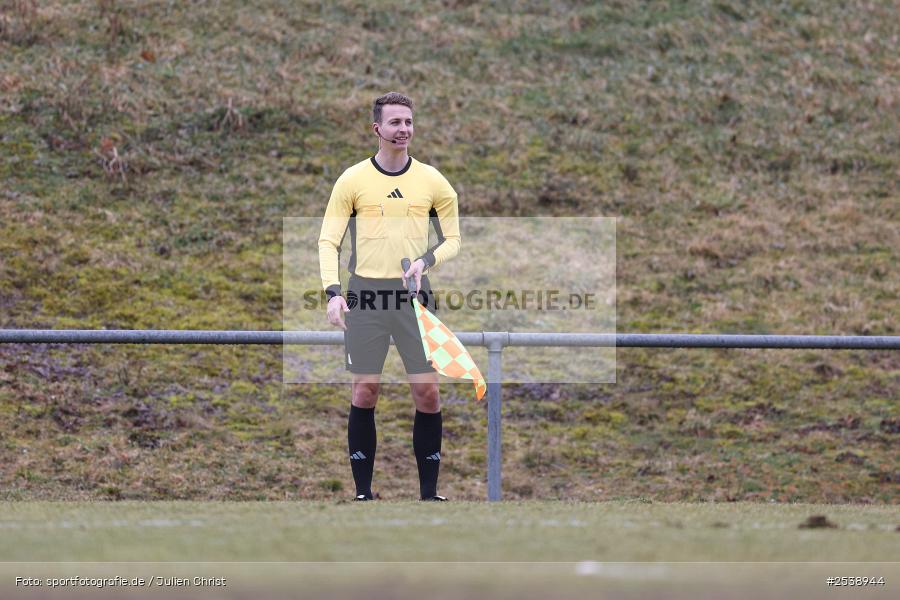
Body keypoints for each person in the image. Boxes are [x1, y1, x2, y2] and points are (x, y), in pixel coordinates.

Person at [318, 92, 461, 501]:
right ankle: (363, 494)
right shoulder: (352, 180)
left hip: (414, 296)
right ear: (377, 129)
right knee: (366, 390)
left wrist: (426, 260)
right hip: (364, 295)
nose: (404, 130)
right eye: (395, 123)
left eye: (409, 122)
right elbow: (329, 241)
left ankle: (429, 496)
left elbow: (453, 239)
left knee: (428, 392)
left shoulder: (433, 181)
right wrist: (332, 293)